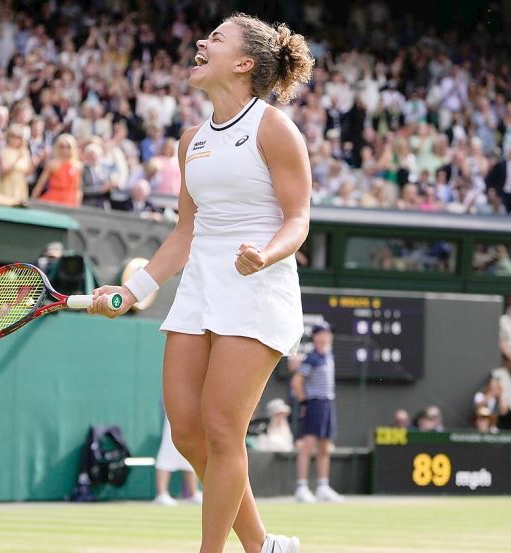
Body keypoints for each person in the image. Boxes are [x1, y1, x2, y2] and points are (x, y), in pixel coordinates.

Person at [88, 14, 313, 553]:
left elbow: (299, 218)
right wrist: (135, 289)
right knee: (187, 432)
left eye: (215, 39)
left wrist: (266, 254)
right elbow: (185, 232)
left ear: (244, 62)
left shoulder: (273, 127)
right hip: (199, 290)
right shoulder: (191, 140)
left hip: (257, 286)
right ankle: (265, 548)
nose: (200, 44)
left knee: (221, 430)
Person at [291, 322, 343, 504]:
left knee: (324, 448)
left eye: (329, 333)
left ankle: (322, 487)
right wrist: (305, 402)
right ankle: (302, 488)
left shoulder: (329, 356)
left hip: (328, 404)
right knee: (307, 446)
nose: (329, 336)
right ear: (316, 336)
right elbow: (297, 382)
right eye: (325, 333)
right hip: (314, 404)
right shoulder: (312, 358)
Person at [153, 413, 202, 507]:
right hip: (176, 415)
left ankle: (193, 493)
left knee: (190, 455)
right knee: (167, 452)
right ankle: (161, 494)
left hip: (192, 417)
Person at [31, 133, 83, 206]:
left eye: (68, 147)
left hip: (70, 200)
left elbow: (78, 189)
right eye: (61, 146)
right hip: (54, 199)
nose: (65, 149)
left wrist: (78, 204)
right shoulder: (52, 164)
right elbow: (40, 184)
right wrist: (33, 200)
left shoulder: (77, 166)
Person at [0, 124, 34, 203]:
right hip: (7, 185)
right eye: (13, 136)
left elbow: (27, 173)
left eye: (18, 137)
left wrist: (34, 163)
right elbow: (3, 171)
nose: (15, 139)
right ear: (8, 137)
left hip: (21, 186)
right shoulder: (4, 150)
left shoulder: (25, 151)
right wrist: (16, 160)